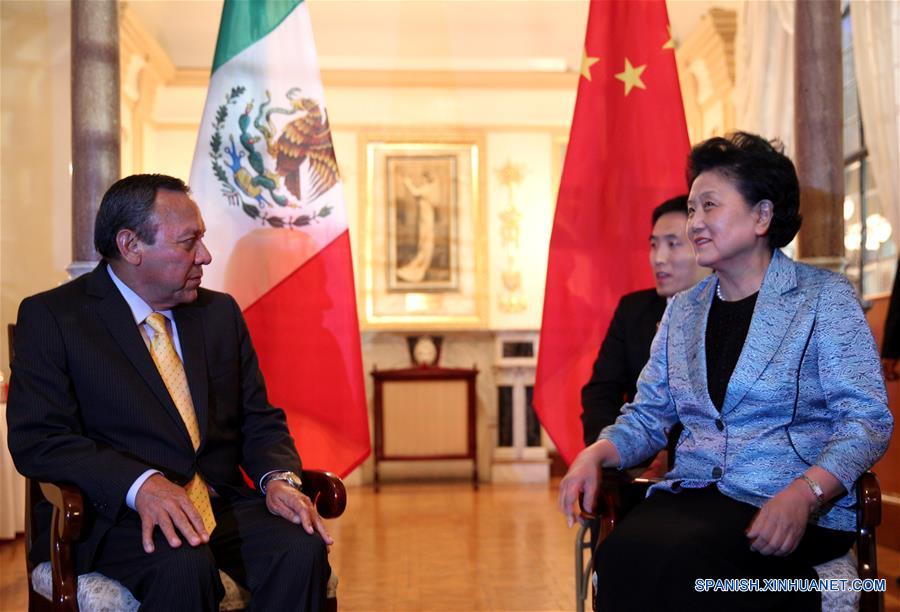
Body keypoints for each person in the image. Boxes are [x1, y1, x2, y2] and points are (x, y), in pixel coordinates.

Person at [559, 133, 893, 611]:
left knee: (686, 566)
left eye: (709, 206)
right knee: (620, 556)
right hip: (698, 496)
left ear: (762, 215)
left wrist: (805, 493)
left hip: (791, 508)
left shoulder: (824, 298)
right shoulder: (682, 311)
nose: (695, 222)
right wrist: (596, 452)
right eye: (692, 209)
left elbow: (866, 422)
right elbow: (649, 416)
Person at [7, 174, 333, 611]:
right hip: (112, 517)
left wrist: (279, 480)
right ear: (130, 246)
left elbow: (259, 418)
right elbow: (39, 440)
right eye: (188, 242)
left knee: (300, 547)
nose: (206, 255)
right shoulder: (54, 317)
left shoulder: (219, 314)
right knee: (182, 562)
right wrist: (141, 485)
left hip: (217, 506)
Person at [581, 195, 704, 447]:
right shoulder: (633, 310)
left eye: (673, 244)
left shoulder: (729, 307)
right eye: (653, 245)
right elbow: (602, 392)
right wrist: (607, 450)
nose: (659, 258)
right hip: (637, 458)